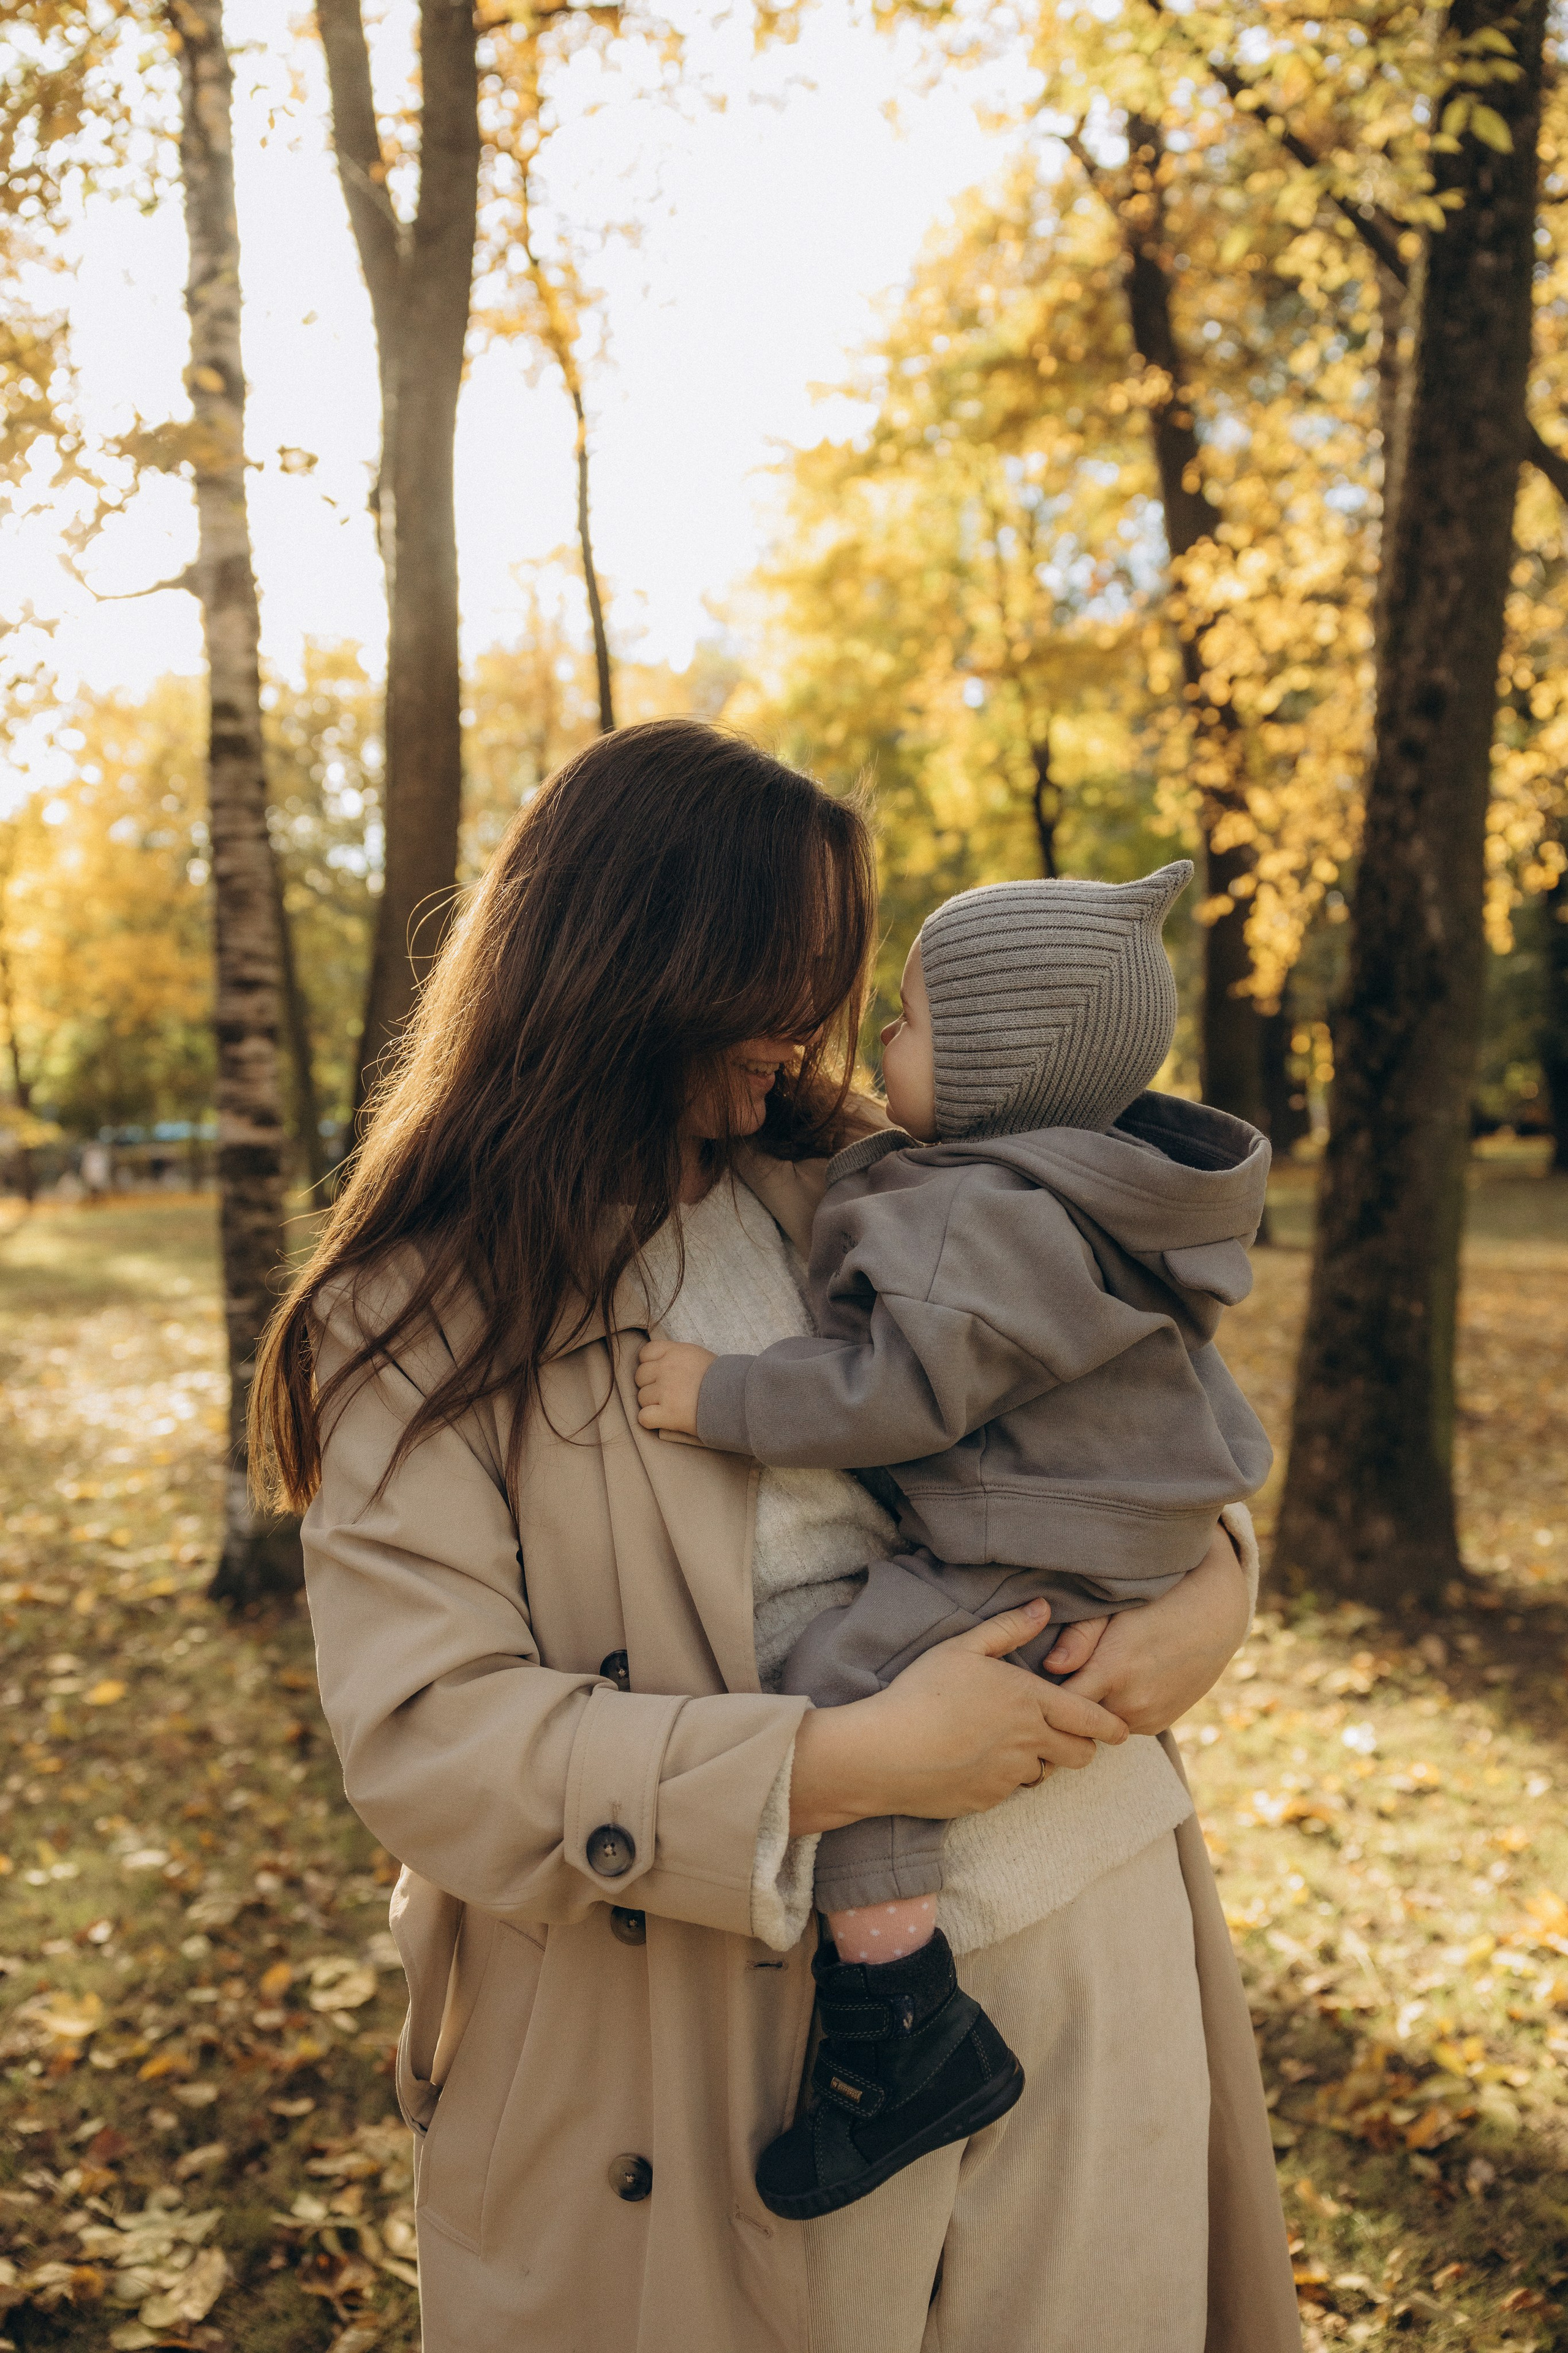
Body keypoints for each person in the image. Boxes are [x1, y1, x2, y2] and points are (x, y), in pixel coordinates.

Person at [251, 720, 1300, 2353]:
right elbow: (435, 1746)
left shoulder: (872, 1180)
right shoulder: (413, 1319)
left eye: (841, 978)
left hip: (1092, 1948)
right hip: (733, 2051)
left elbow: (1132, 1415)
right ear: (640, 965)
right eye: (784, 975)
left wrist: (1212, 1601)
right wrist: (855, 1761)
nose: (813, 1028)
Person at [633, 859, 1273, 2220]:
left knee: (837, 1687)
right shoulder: (1081, 1188)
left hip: (1034, 1537)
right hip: (1118, 1515)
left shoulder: (963, 1216)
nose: (867, 1040)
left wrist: (719, 1395)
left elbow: (893, 1391)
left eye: (909, 1021)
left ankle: (895, 2018)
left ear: (997, 1071)